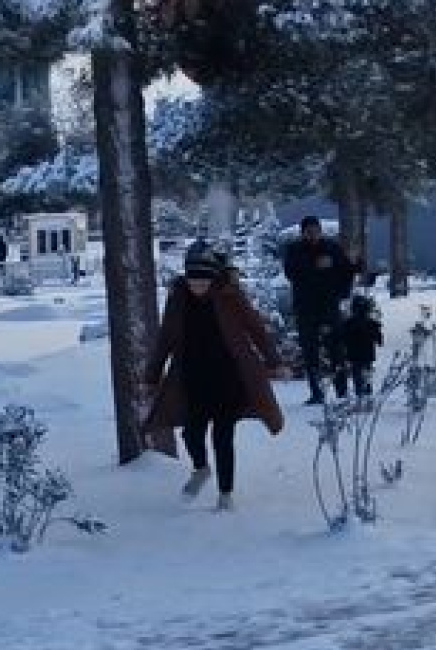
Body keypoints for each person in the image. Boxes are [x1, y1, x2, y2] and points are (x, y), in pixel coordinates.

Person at [143, 242, 284, 511]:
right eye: (192, 279)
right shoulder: (178, 298)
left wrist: (274, 361)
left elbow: (256, 329)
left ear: (212, 276)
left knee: (222, 436)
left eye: (202, 280)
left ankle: (226, 494)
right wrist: (152, 375)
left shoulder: (230, 296)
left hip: (229, 377)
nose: (197, 285)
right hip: (193, 377)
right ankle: (200, 469)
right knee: (191, 434)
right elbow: (165, 338)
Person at [281, 215, 355, 405]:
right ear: (303, 233)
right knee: (310, 351)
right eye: (309, 232)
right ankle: (317, 392)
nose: (313, 235)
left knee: (336, 348)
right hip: (306, 307)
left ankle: (342, 391)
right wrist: (314, 266)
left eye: (316, 231)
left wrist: (353, 268)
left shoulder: (332, 248)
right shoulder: (294, 250)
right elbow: (291, 272)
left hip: (329, 305)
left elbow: (345, 271)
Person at [340, 294, 383, 398]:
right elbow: (380, 340)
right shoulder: (372, 323)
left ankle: (360, 392)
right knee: (366, 371)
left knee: (357, 373)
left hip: (354, 353)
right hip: (367, 353)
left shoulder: (348, 323)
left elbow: (343, 339)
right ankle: (367, 390)